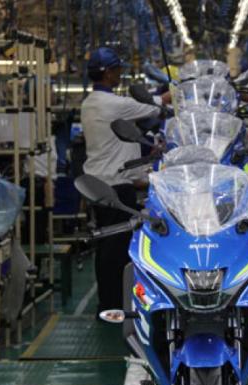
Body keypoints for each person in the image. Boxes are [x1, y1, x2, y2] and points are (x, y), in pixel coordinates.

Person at [81, 47, 166, 314]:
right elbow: (156, 107)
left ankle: (109, 302)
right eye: (118, 70)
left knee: (108, 245)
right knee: (116, 249)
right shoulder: (114, 104)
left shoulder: (91, 102)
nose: (120, 74)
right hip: (115, 187)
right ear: (108, 73)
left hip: (102, 183)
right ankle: (113, 306)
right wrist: (174, 88)